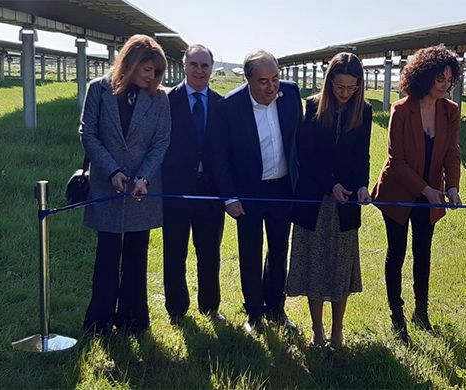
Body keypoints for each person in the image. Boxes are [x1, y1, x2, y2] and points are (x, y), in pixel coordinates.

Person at [371, 44, 462, 345]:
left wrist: (451, 188)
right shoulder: (401, 110)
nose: (446, 84)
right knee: (396, 253)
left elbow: (451, 152)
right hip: (399, 191)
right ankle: (396, 315)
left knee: (423, 252)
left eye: (450, 79)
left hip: (431, 194)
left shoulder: (450, 111)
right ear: (424, 76)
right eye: (440, 78)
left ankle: (421, 312)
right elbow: (396, 160)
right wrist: (426, 190)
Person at [80, 34, 170, 334]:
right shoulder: (98, 90)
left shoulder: (160, 98)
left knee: (136, 255)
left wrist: (142, 178)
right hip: (107, 187)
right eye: (147, 69)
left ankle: (133, 320)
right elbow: (88, 134)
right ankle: (100, 321)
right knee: (106, 256)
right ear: (129, 63)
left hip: (141, 192)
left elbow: (161, 141)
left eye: (157, 72)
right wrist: (112, 171)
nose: (152, 77)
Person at [210, 50, 302, 334]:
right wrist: (230, 197)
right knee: (250, 253)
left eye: (275, 79)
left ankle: (276, 308)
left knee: (278, 252)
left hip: (282, 189)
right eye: (263, 81)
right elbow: (219, 156)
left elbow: (300, 141)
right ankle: (254, 313)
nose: (271, 87)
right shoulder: (230, 106)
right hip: (248, 193)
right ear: (248, 79)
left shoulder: (290, 95)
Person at [286, 52, 372, 347]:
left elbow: (363, 156)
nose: (346, 94)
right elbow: (306, 156)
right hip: (314, 198)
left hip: (345, 202)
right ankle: (318, 330)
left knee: (340, 267)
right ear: (329, 83)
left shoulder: (365, 111)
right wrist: (330, 183)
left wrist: (361, 186)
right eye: (340, 87)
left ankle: (337, 331)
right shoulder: (311, 107)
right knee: (313, 264)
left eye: (352, 88)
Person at [162, 44, 225, 324]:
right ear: (184, 65)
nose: (199, 71)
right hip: (176, 188)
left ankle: (210, 306)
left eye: (205, 66)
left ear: (212, 68)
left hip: (210, 190)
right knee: (175, 251)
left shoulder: (222, 104)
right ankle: (176, 309)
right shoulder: (166, 100)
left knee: (210, 251)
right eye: (194, 65)